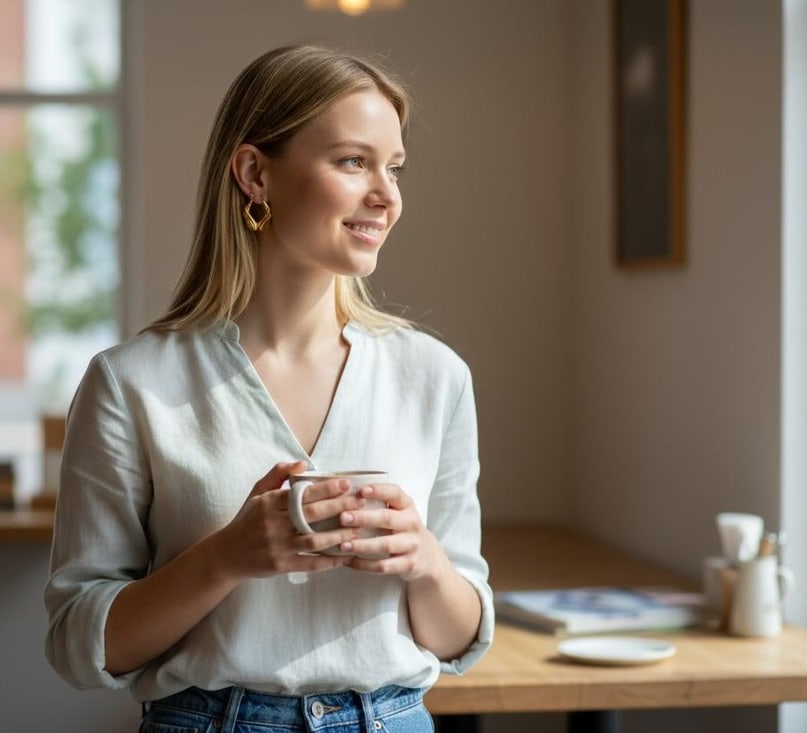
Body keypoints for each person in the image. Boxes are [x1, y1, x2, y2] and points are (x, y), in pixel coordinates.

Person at [44, 44, 494, 733]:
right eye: (353, 161)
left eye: (394, 167)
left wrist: (426, 563)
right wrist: (226, 557)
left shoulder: (434, 377)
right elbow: (81, 643)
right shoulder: (131, 384)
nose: (387, 195)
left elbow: (459, 638)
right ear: (255, 173)